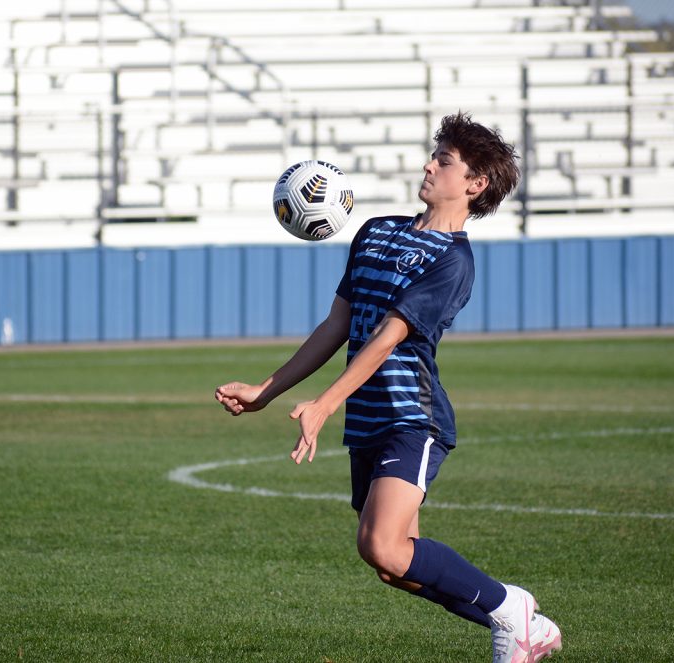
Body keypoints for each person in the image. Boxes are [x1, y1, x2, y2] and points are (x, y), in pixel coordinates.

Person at [215, 112, 562, 663]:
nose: (429, 164)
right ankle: (524, 624)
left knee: (379, 543)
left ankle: (508, 608)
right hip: (370, 423)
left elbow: (385, 338)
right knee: (392, 564)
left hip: (412, 419)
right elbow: (338, 326)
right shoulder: (375, 231)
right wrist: (267, 390)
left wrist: (325, 404)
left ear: (475, 184)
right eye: (434, 154)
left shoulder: (453, 261)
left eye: (443, 160)